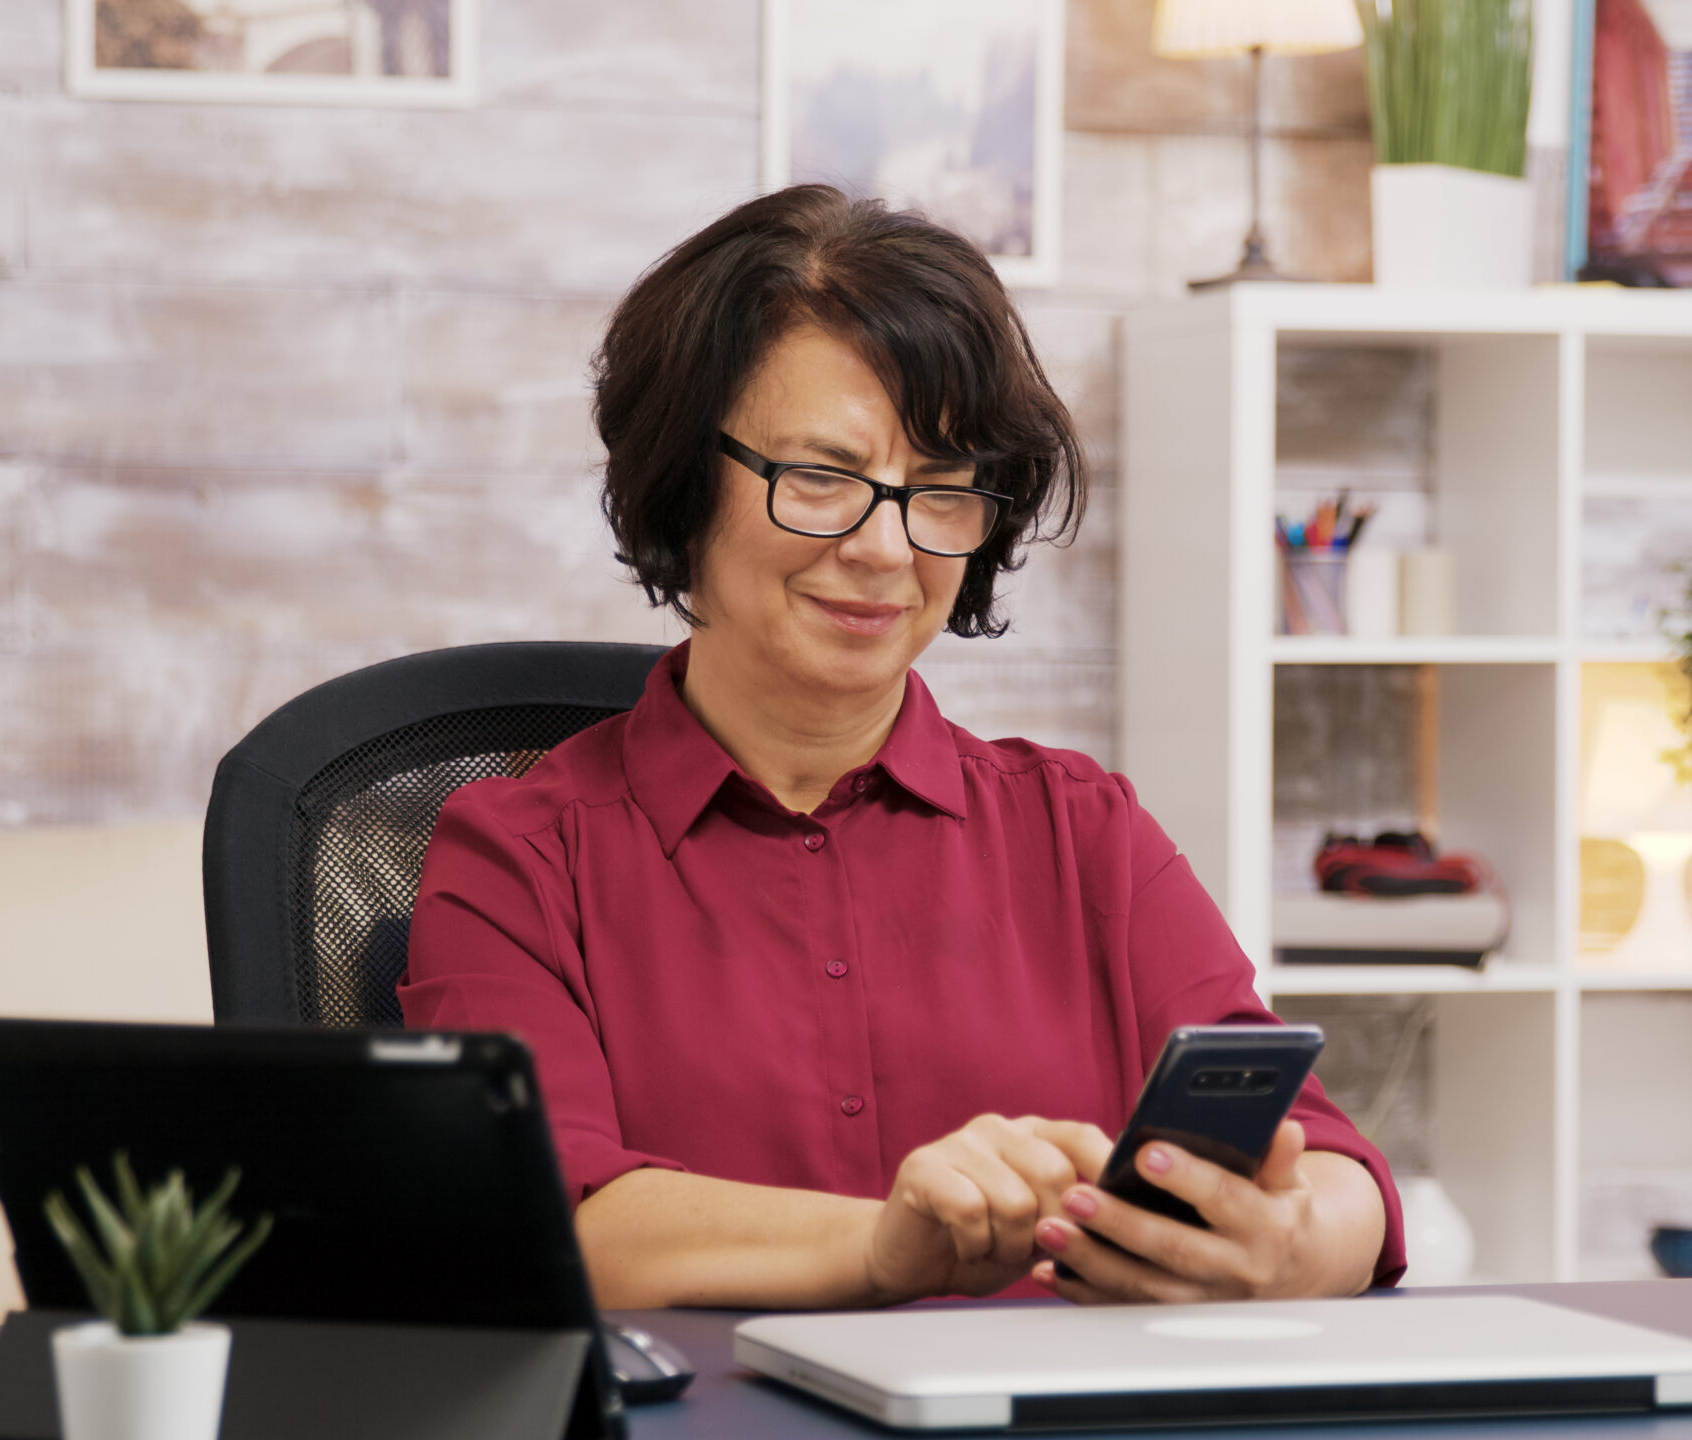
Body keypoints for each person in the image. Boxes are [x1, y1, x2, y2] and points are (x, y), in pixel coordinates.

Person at [401, 185, 1404, 1310]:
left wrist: (1286, 1241)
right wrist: (890, 1245)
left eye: (941, 489)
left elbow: (1336, 1175)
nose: (886, 549)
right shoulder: (513, 858)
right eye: (821, 479)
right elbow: (548, 1223)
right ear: (684, 486)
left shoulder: (1084, 831)